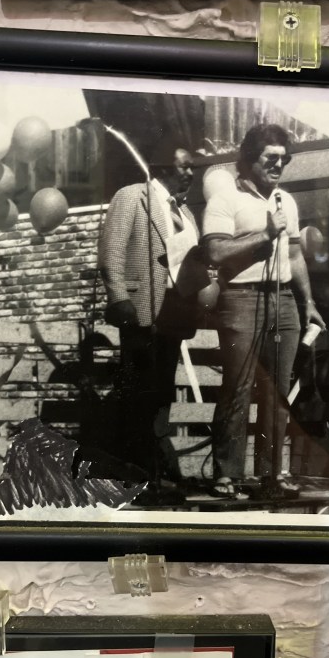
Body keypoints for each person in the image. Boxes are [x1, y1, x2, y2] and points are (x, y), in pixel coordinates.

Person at [202, 124, 325, 500]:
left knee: (278, 391)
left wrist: (308, 303)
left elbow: (293, 255)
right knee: (237, 388)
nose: (279, 165)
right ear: (249, 158)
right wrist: (265, 235)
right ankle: (227, 476)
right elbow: (215, 252)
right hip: (240, 298)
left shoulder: (286, 201)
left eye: (284, 159)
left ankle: (272, 475)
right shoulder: (225, 198)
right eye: (271, 158)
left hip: (283, 299)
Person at [98, 147, 202, 498]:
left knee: (161, 392)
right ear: (162, 165)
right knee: (138, 391)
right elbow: (111, 253)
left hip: (174, 313)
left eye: (193, 167)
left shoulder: (184, 212)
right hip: (140, 309)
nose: (190, 172)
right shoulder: (132, 197)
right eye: (184, 165)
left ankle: (156, 472)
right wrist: (120, 299)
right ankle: (138, 474)